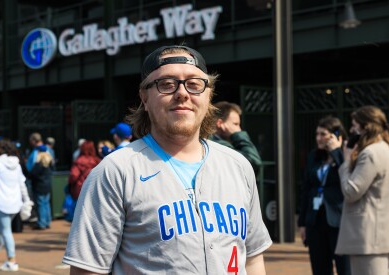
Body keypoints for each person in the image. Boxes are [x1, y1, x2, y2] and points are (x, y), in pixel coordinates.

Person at [63, 45, 271, 274]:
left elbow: (252, 258)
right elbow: (88, 270)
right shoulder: (115, 171)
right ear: (145, 98)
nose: (182, 93)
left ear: (208, 95)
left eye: (194, 84)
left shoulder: (238, 165)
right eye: (167, 84)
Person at [336, 106, 389, 275]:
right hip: (388, 234)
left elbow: (350, 191)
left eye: (354, 125)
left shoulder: (369, 153)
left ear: (365, 127)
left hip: (369, 238)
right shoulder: (388, 149)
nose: (352, 129)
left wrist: (346, 162)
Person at [297, 116, 350, 275]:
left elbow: (348, 177)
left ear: (336, 136)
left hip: (338, 220)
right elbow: (306, 188)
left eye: (323, 134)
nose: (318, 138)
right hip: (316, 220)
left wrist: (336, 151)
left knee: (345, 268)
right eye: (317, 134)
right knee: (320, 267)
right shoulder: (314, 156)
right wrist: (303, 222)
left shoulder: (345, 154)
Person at [0, 139, 31, 272]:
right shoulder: (16, 164)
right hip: (14, 203)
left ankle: (12, 261)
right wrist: (26, 199)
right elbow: (22, 184)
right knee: (1, 231)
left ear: (0, 149)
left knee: (5, 231)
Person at [211, 101, 262, 172]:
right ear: (220, 124)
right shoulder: (218, 145)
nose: (239, 129)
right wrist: (239, 135)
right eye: (235, 124)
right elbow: (254, 161)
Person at [28, 145, 54, 230]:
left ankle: (42, 223)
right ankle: (47, 221)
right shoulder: (50, 162)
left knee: (41, 204)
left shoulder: (39, 163)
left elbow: (32, 174)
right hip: (47, 186)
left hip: (39, 186)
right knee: (46, 204)